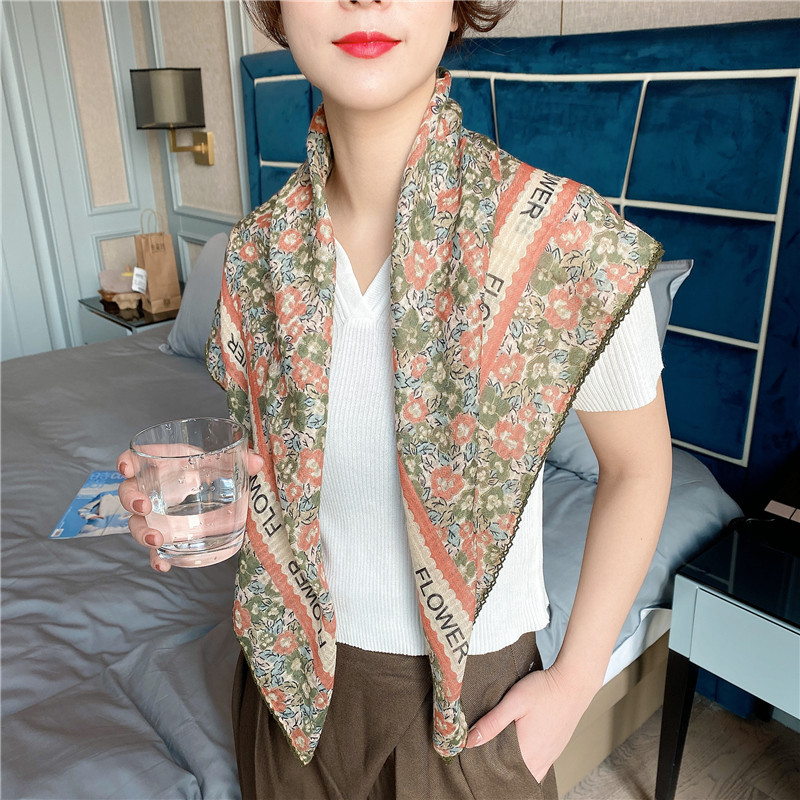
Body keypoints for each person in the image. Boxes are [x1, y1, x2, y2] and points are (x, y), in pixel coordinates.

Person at [118, 2, 673, 798]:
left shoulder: (568, 244)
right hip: (286, 692)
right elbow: (297, 472)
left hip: (469, 711)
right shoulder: (254, 258)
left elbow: (638, 470)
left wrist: (575, 681)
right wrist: (220, 492)